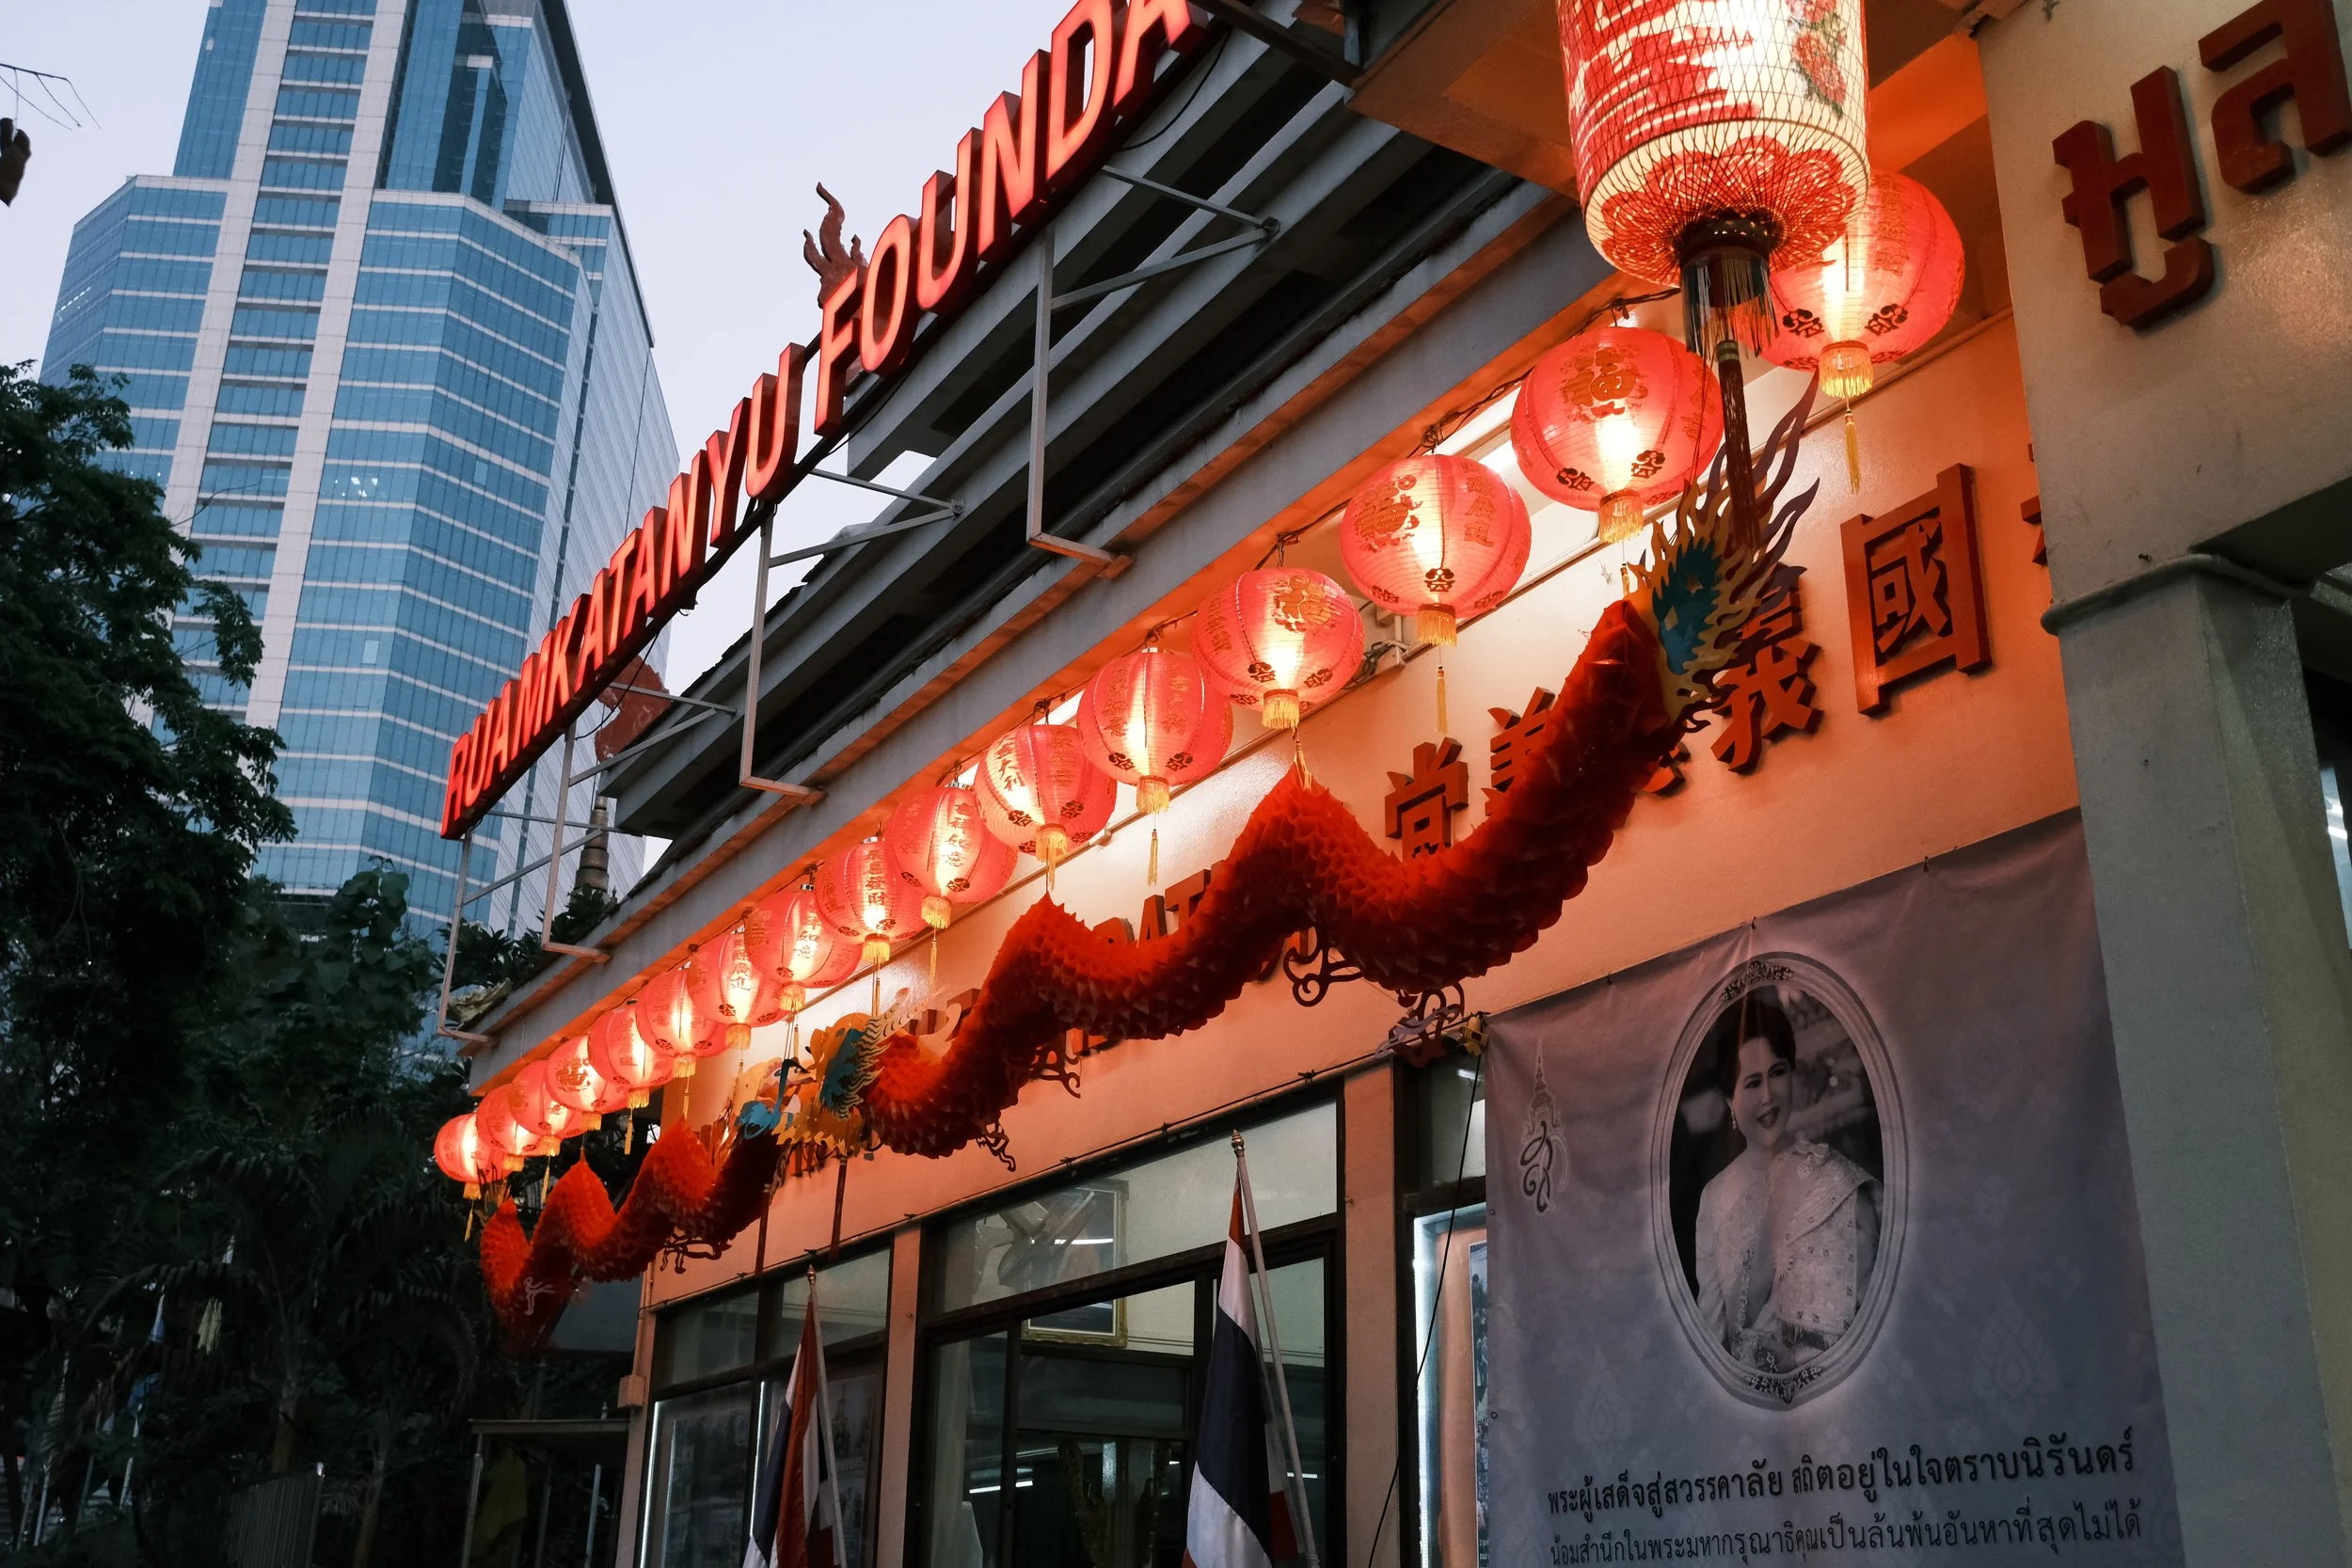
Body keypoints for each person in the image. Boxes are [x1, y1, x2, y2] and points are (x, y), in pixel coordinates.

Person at [1692, 995, 1880, 1375]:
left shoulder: (1838, 1183)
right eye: (1752, 1082)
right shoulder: (1713, 1199)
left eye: (1778, 1073)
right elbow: (1711, 1338)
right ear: (1730, 1101)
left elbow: (1869, 1317)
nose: (1768, 1096)